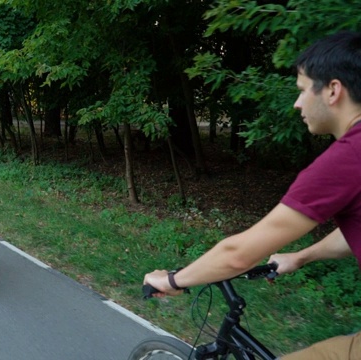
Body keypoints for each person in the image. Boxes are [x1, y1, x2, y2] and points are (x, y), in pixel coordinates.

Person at [143, 30, 361, 359]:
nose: (297, 103)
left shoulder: (347, 159)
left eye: (302, 91)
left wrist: (174, 281)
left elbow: (238, 255)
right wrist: (302, 256)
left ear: (333, 90)